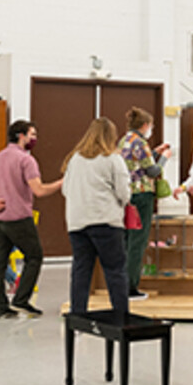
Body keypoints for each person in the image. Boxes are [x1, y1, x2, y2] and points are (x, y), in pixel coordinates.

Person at [0, 120, 63, 319]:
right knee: (34, 256)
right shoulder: (26, 160)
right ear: (21, 135)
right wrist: (63, 182)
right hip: (18, 218)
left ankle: (0, 308)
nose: (35, 139)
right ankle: (21, 300)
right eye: (32, 135)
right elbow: (39, 190)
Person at [63, 117, 132, 316]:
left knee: (81, 271)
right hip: (106, 222)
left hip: (77, 223)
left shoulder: (75, 159)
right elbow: (123, 194)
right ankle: (120, 316)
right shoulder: (113, 159)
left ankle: (77, 317)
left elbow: (66, 190)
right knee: (115, 271)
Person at [119, 107, 171, 301]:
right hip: (141, 195)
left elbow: (136, 163)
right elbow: (152, 171)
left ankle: (121, 283)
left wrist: (154, 152)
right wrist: (164, 158)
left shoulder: (124, 140)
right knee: (138, 241)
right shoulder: (141, 142)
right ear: (145, 125)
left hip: (126, 195)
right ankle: (131, 286)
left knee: (126, 240)